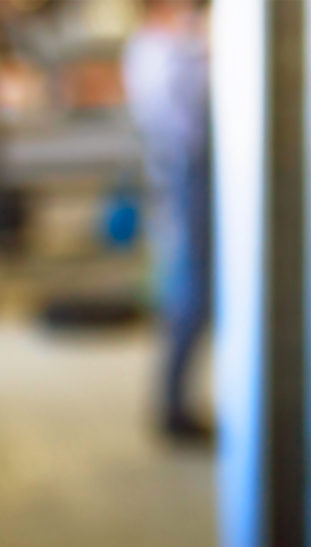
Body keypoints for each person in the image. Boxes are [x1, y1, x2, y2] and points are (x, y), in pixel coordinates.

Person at [123, 0, 212, 443]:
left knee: (195, 290)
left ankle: (177, 402)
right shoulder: (167, 51)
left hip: (184, 174)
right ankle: (174, 407)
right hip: (191, 173)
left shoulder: (160, 48)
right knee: (195, 292)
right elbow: (191, 118)